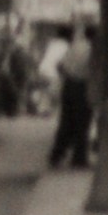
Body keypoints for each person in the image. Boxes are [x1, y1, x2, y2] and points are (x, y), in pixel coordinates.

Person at [46, 26, 95, 170]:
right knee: (82, 123)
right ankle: (79, 158)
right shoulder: (93, 50)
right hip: (83, 87)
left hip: (69, 86)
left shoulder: (76, 46)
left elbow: (59, 66)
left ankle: (57, 154)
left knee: (67, 121)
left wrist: (68, 76)